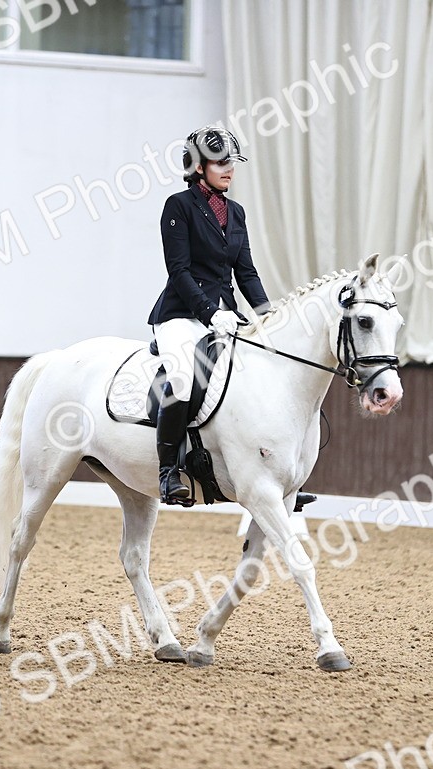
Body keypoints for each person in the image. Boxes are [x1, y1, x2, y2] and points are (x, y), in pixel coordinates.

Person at [147, 125, 271, 504]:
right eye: (220, 162)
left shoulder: (236, 213)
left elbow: (245, 272)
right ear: (198, 167)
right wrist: (208, 312)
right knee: (184, 377)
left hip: (226, 314)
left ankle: (271, 473)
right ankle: (169, 471)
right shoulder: (178, 207)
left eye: (231, 161)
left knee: (261, 372)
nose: (229, 169)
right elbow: (179, 271)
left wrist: (268, 315)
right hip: (182, 313)